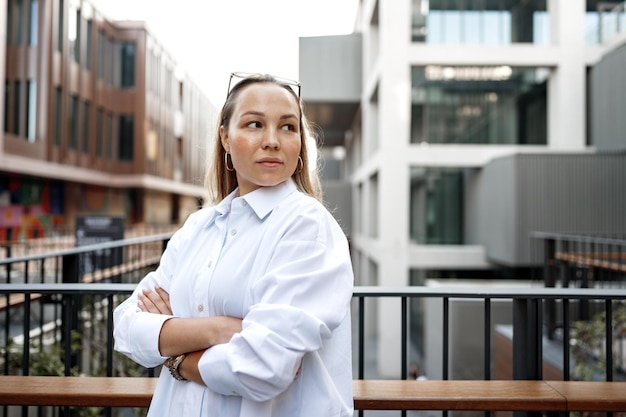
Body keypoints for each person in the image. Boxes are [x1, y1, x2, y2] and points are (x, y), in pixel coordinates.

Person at [113, 72, 354, 417]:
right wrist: (216, 330)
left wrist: (175, 355)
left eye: (288, 127)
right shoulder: (199, 226)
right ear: (225, 138)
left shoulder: (307, 226)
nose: (272, 140)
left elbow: (262, 369)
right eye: (254, 124)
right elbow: (125, 325)